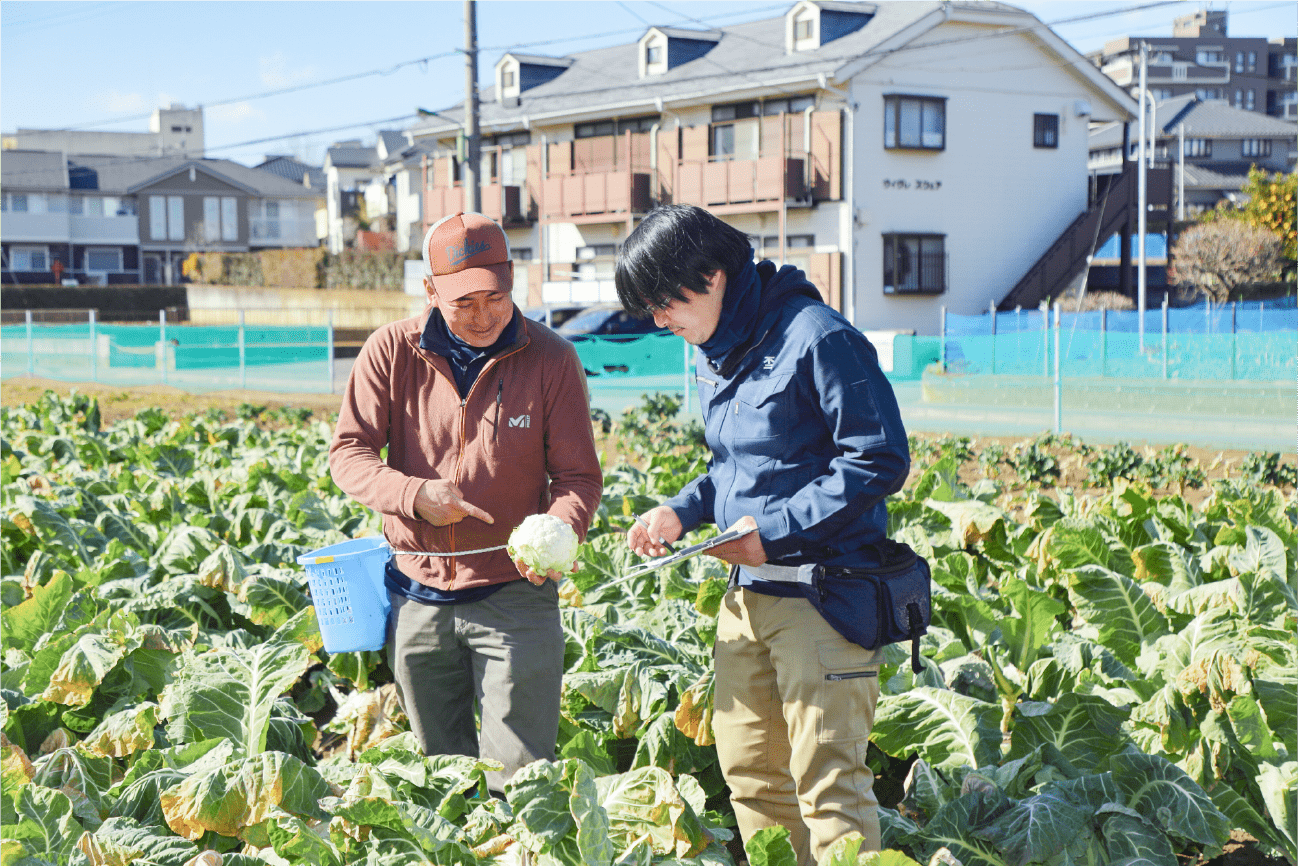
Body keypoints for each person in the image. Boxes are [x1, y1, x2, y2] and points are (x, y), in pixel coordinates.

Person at [619, 204, 910, 865]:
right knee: (751, 773)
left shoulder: (818, 338)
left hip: (823, 597)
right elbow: (737, 466)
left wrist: (773, 534)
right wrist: (683, 510)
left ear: (714, 275)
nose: (661, 321)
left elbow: (879, 457)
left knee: (828, 783)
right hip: (746, 598)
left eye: (665, 302)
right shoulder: (718, 350)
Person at [329, 211, 602, 792]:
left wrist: (560, 529)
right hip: (417, 598)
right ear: (430, 291)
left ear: (512, 283)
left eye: (494, 298)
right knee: (440, 781)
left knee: (522, 781)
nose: (481, 316)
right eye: (463, 303)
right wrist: (412, 495)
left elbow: (578, 477)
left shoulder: (551, 358)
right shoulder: (390, 352)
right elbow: (348, 453)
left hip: (515, 595)